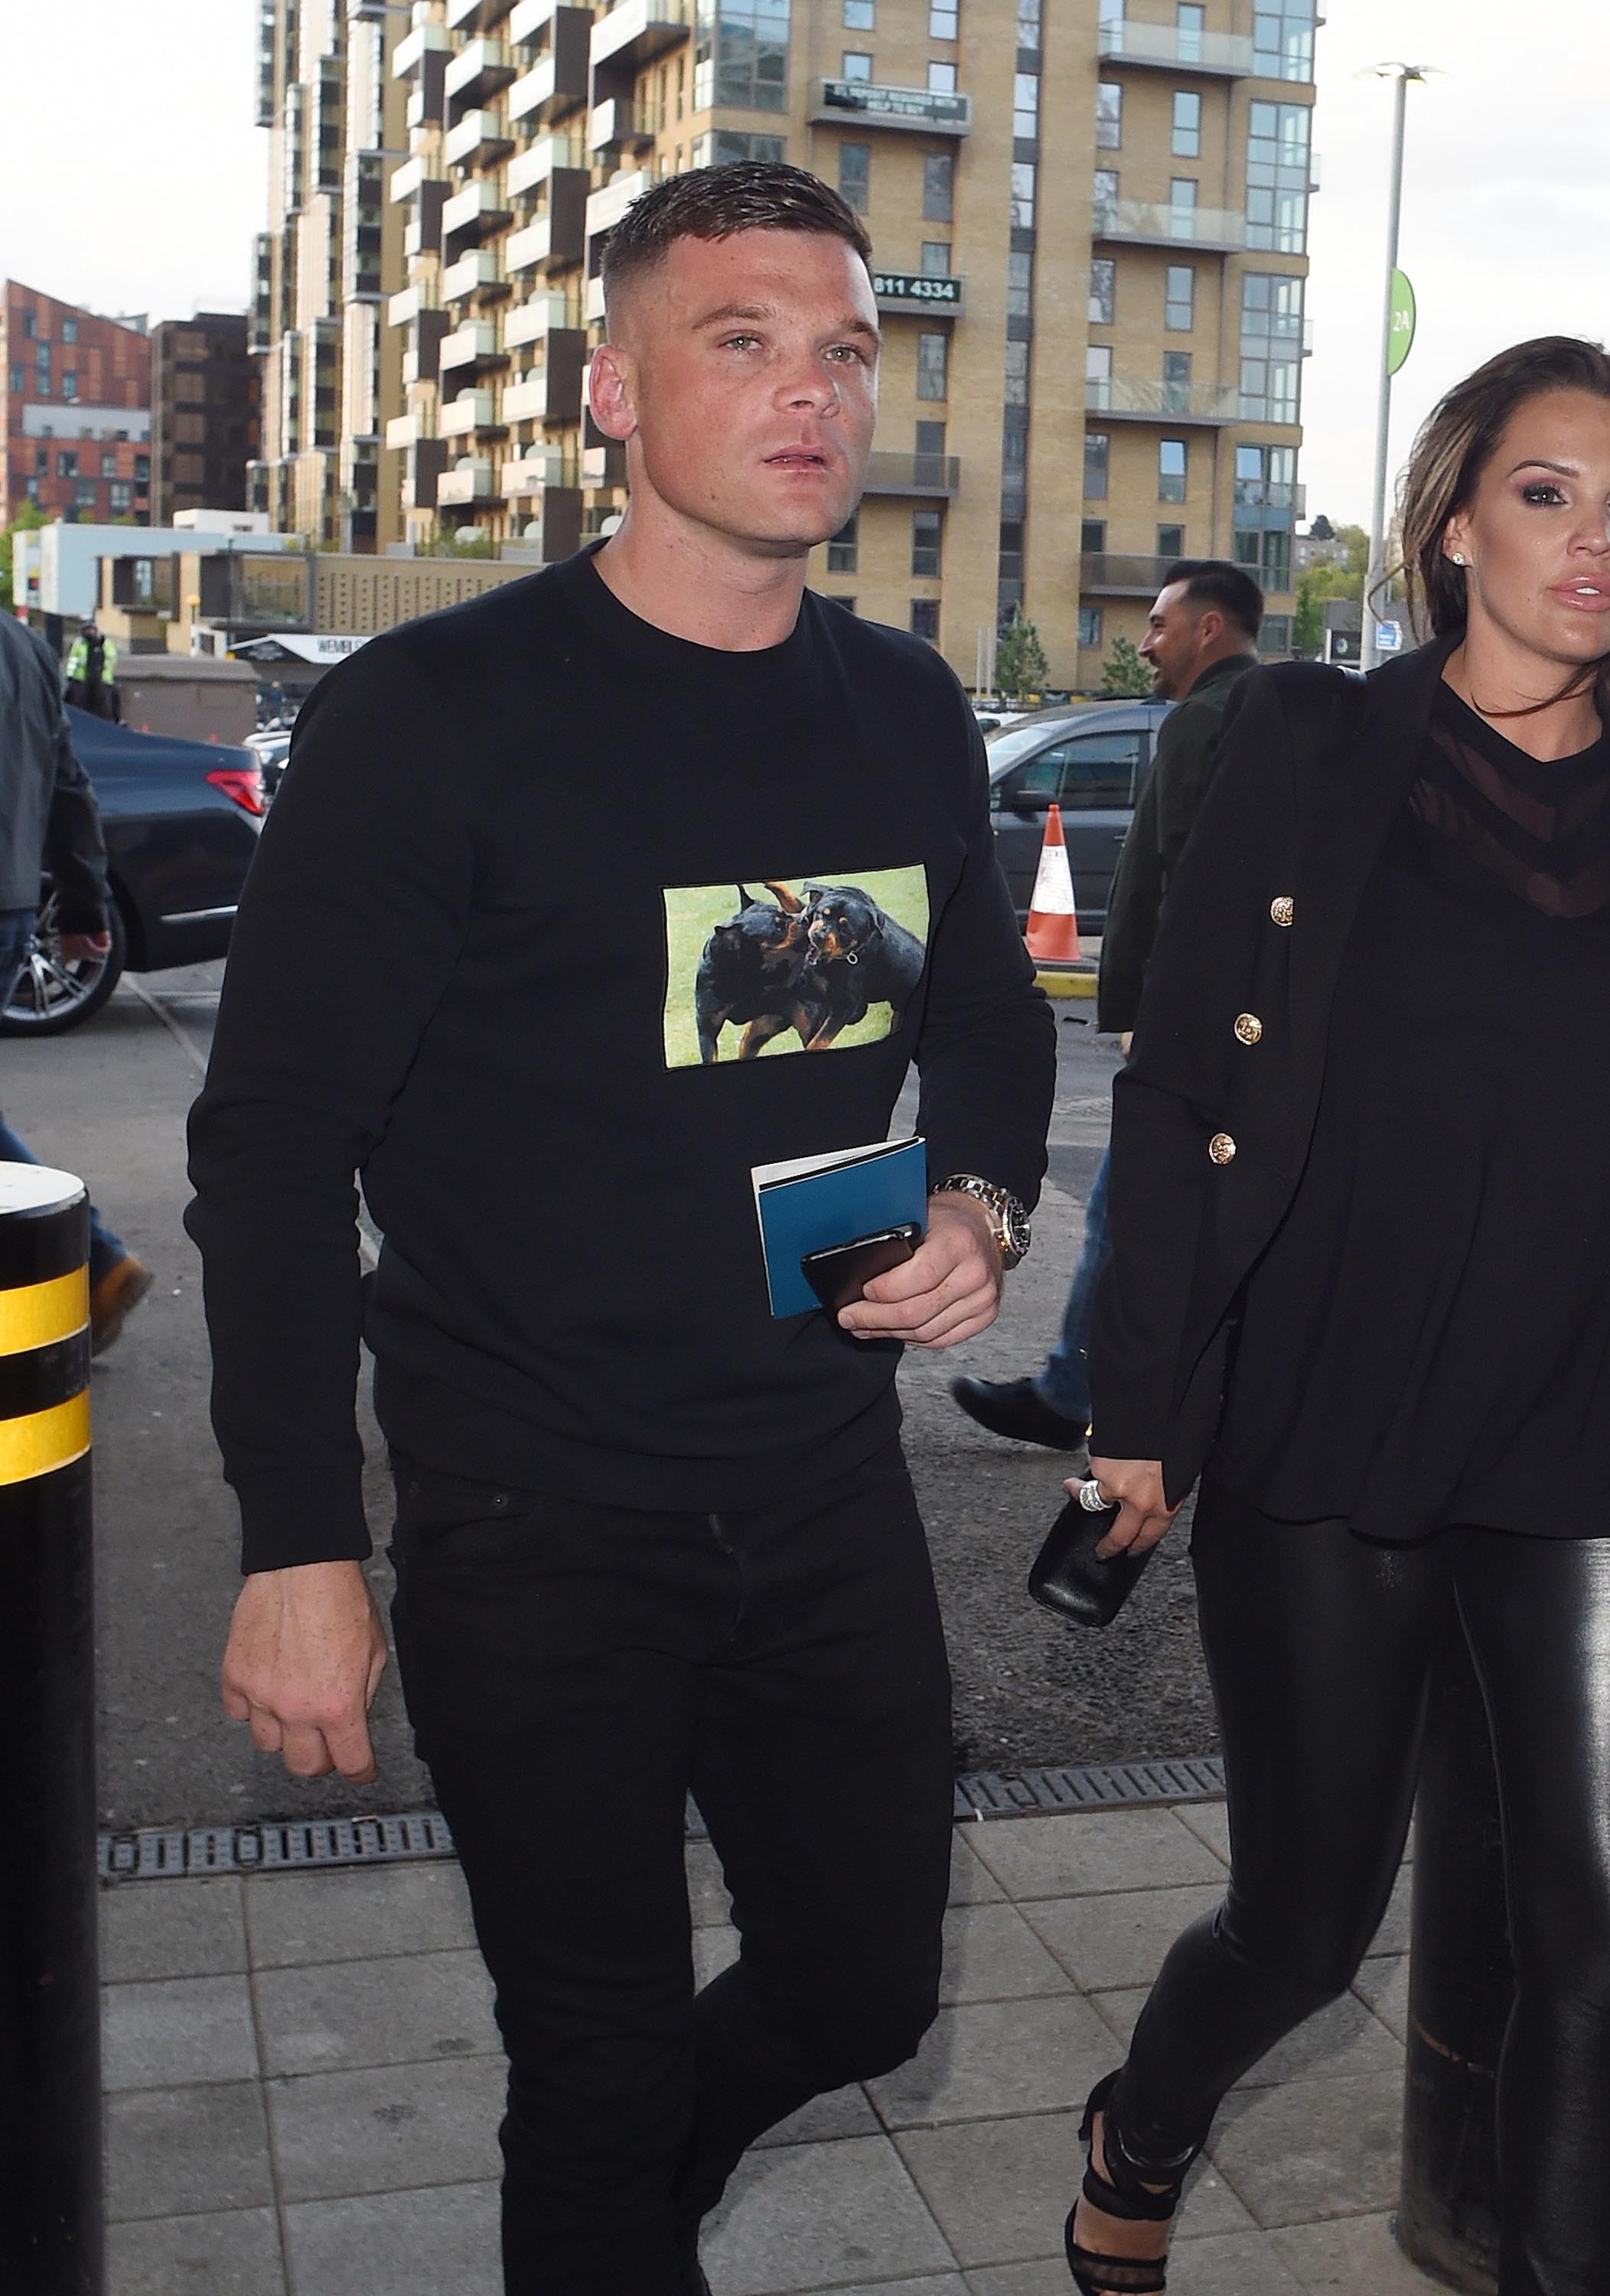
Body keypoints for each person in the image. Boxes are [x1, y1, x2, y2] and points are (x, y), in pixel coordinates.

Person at [186, 164, 1054, 2295]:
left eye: (843, 351)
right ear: (609, 390)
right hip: (531, 1517)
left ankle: (615, 2204)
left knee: (864, 1998)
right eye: (740, 342)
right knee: (584, 2066)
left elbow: (985, 1014)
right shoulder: (439, 718)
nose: (811, 395)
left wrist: (980, 1199)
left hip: (817, 1491)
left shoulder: (901, 706)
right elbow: (273, 1151)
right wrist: (299, 1544)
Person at [1057, 338, 1610, 2296]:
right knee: (1304, 1923)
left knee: (1606, 1934)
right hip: (1331, 1435)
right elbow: (1178, 1097)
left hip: (1584, 1445)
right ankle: (1140, 2124)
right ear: (1450, 522)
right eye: (1545, 492)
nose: (1593, 539)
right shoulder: (1306, 748)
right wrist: (1141, 1409)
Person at [950, 561, 1261, 1451]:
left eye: (1160, 624)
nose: (1145, 643)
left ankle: (1073, 1393)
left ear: (1208, 628)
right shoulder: (1266, 715)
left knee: (1128, 1212)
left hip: (1194, 1030)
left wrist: (1148, 1012)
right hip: (1239, 1024)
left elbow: (1181, 883)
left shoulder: (1208, 719)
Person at [0, 609, 153, 1349]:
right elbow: (67, 781)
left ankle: (93, 1259)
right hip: (9, 905)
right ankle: (95, 1263)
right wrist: (82, 904)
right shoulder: (26, 648)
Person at [62, 618, 117, 720]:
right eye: (88, 630)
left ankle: (116, 720)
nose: (90, 632)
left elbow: (111, 658)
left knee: (112, 700)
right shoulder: (78, 643)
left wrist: (102, 669)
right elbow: (73, 660)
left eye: (92, 630)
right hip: (81, 678)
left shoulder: (105, 643)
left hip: (102, 679)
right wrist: (70, 676)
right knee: (68, 697)